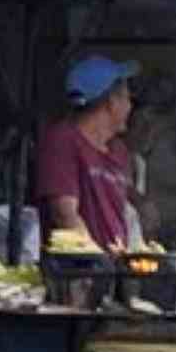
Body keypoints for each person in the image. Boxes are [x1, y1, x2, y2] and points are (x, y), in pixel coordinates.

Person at [36, 55, 140, 252]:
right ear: (111, 102)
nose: (130, 106)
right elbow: (64, 214)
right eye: (128, 98)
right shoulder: (63, 140)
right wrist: (96, 260)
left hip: (115, 269)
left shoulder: (119, 151)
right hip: (78, 271)